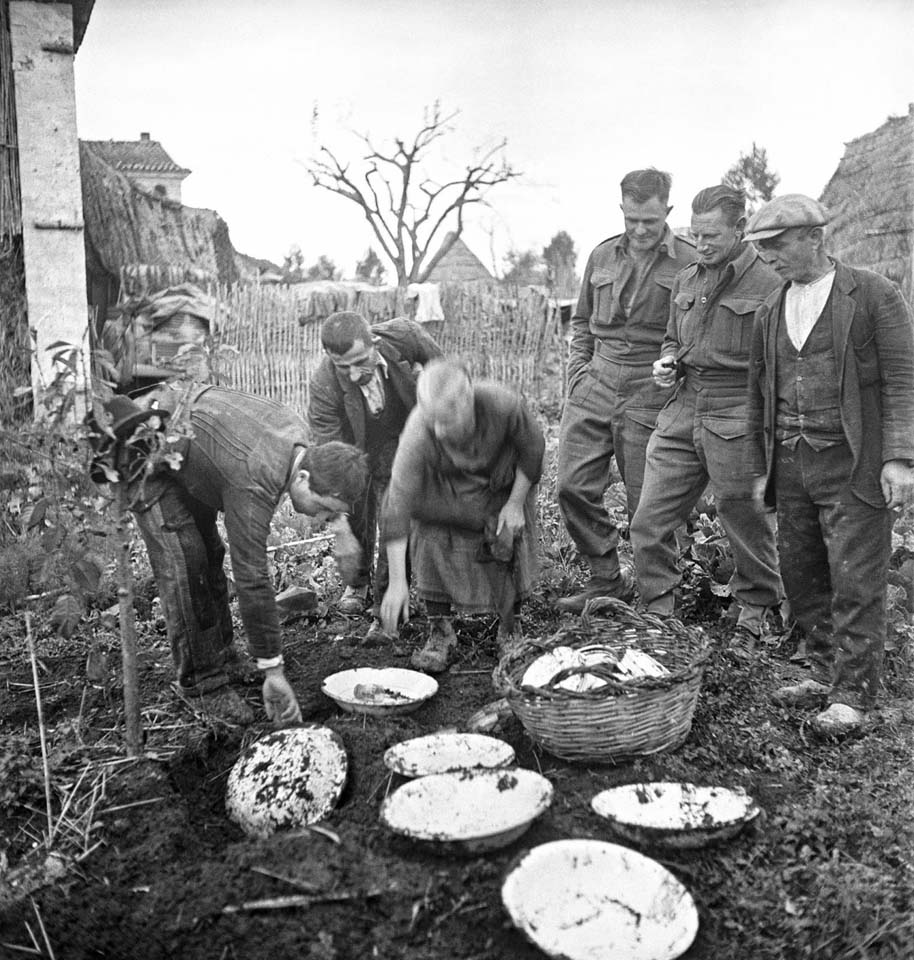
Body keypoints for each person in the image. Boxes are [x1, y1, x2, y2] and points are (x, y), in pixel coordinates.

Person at [94, 385, 369, 726]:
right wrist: (273, 668)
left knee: (210, 552)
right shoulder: (256, 479)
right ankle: (201, 683)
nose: (320, 518)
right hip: (143, 452)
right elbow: (253, 578)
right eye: (324, 509)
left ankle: (223, 655)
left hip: (191, 457)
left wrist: (342, 527)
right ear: (303, 477)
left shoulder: (297, 437)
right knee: (186, 560)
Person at [745, 194, 914, 736]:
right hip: (791, 462)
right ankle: (821, 671)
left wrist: (899, 459)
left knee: (855, 578)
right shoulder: (771, 308)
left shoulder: (870, 294)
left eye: (777, 244)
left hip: (853, 463)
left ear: (814, 238)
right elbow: (757, 394)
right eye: (762, 248)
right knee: (803, 574)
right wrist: (759, 468)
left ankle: (853, 696)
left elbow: (902, 380)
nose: (769, 256)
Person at [630, 185, 784, 649]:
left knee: (743, 516)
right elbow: (672, 338)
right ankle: (659, 611)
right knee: (648, 517)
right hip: (682, 406)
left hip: (739, 410)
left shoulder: (770, 283)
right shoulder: (687, 279)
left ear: (740, 229)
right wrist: (667, 360)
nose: (701, 244)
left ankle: (755, 610)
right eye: (695, 235)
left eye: (712, 235)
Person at [556, 168, 696, 613]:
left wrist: (674, 373)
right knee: (571, 486)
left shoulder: (689, 262)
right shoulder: (601, 256)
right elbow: (581, 324)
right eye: (631, 219)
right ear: (622, 209)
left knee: (648, 502)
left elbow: (694, 332)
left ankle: (658, 600)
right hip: (596, 378)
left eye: (650, 222)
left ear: (667, 212)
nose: (639, 230)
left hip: (649, 386)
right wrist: (578, 372)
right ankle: (605, 579)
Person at [379, 360, 545, 673]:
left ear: (466, 402)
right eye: (433, 422)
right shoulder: (419, 431)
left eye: (445, 420)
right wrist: (398, 582)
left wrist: (514, 504)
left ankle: (510, 627)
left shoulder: (501, 404)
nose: (438, 431)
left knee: (506, 535)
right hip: (447, 491)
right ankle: (440, 631)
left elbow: (532, 449)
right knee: (429, 535)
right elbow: (397, 502)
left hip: (500, 484)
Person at [308, 311, 442, 634]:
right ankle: (358, 583)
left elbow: (443, 374)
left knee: (395, 511)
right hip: (356, 445)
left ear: (375, 343)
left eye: (360, 362)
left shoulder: (406, 336)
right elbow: (330, 453)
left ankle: (387, 600)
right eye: (343, 368)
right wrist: (339, 524)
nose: (354, 375)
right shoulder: (324, 383)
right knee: (355, 506)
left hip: (404, 435)